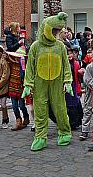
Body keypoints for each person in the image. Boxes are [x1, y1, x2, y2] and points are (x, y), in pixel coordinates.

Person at [22, 12, 73, 151]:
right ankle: (40, 136)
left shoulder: (60, 46)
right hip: (40, 84)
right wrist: (28, 84)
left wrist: (67, 81)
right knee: (40, 110)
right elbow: (30, 66)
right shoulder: (36, 46)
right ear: (46, 29)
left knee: (60, 109)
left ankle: (64, 132)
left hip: (57, 82)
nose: (56, 33)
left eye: (58, 31)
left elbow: (66, 65)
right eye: (54, 30)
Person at [6, 48, 30, 131]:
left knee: (22, 106)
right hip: (12, 88)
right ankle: (18, 121)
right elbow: (5, 56)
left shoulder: (25, 65)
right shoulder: (11, 62)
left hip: (21, 89)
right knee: (14, 106)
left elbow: (25, 76)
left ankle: (26, 118)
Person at [65, 47, 84, 130]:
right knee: (69, 105)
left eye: (70, 53)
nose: (70, 55)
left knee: (75, 104)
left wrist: (81, 72)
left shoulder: (76, 63)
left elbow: (78, 77)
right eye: (67, 53)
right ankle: (70, 122)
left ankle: (76, 122)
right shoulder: (62, 63)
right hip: (66, 86)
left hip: (74, 85)